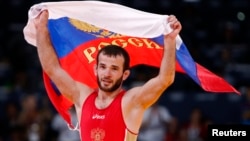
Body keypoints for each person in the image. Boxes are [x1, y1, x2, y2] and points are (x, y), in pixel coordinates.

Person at [34, 9, 182, 141]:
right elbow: (52, 69)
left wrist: (169, 41)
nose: (107, 73)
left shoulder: (131, 102)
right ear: (95, 69)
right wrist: (41, 30)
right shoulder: (82, 97)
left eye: (114, 68)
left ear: (125, 74)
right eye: (103, 67)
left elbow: (165, 79)